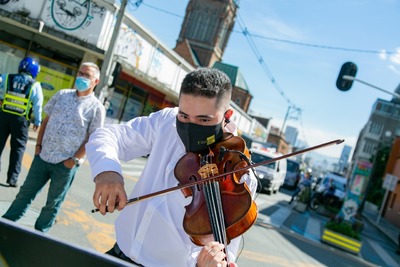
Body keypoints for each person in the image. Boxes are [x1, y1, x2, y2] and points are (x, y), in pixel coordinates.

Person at [86, 67, 258, 267]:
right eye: (184, 116)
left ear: (226, 114)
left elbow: (225, 254)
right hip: (118, 254)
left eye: (203, 120)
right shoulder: (167, 121)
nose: (190, 126)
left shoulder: (240, 174)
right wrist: (107, 172)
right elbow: (108, 135)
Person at [2, 62, 105, 232]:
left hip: (65, 164)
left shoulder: (96, 108)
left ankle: (39, 234)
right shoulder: (62, 95)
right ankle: (6, 225)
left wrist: (73, 160)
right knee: (24, 194)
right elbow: (46, 121)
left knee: (52, 204)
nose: (82, 77)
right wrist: (38, 146)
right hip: (43, 156)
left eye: (87, 75)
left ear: (96, 81)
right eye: (80, 73)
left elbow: (92, 138)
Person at [0, 57, 43, 187]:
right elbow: (37, 105)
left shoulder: (7, 77)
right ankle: (12, 179)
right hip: (20, 120)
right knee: (17, 149)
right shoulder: (35, 85)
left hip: (3, 116)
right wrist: (38, 121)